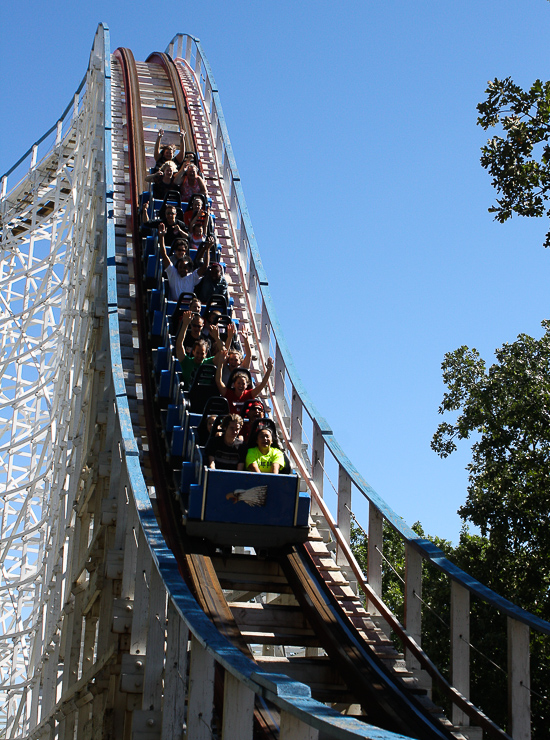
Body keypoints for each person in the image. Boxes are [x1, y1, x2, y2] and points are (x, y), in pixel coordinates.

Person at [159, 223, 211, 301]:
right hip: (174, 306)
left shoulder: (192, 277)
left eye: (185, 267)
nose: (182, 269)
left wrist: (207, 249)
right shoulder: (173, 273)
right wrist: (161, 237)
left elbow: (205, 267)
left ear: (189, 268)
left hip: (188, 307)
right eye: (180, 267)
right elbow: (164, 254)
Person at [175, 312, 223, 388]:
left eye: (202, 353)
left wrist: (217, 338)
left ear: (206, 354)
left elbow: (223, 353)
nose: (199, 356)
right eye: (197, 353)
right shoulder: (186, 362)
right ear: (193, 352)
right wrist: (185, 325)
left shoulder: (209, 362)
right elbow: (179, 345)